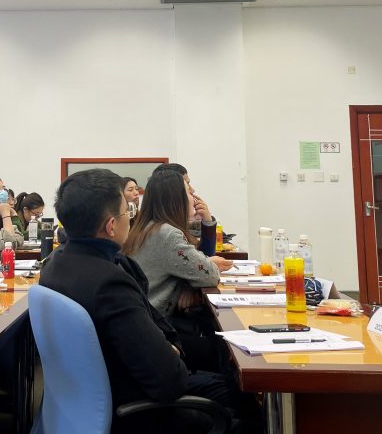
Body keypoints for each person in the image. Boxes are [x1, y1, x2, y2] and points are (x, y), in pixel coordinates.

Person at [39, 169, 257, 432]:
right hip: (135, 405)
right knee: (245, 398)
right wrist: (171, 350)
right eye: (126, 212)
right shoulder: (110, 284)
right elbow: (170, 380)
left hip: (90, 396)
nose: (131, 219)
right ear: (111, 226)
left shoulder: (55, 264)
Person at [125, 169, 232, 372]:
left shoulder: (149, 226)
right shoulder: (167, 234)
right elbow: (209, 274)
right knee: (223, 349)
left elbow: (189, 264)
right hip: (159, 331)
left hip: (145, 324)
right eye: (188, 191)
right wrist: (205, 268)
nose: (194, 195)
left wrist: (187, 284)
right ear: (175, 199)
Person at [152, 163, 218, 256]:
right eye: (187, 186)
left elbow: (204, 255)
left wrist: (207, 221)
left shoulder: (171, 225)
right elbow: (204, 261)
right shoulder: (168, 233)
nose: (192, 191)